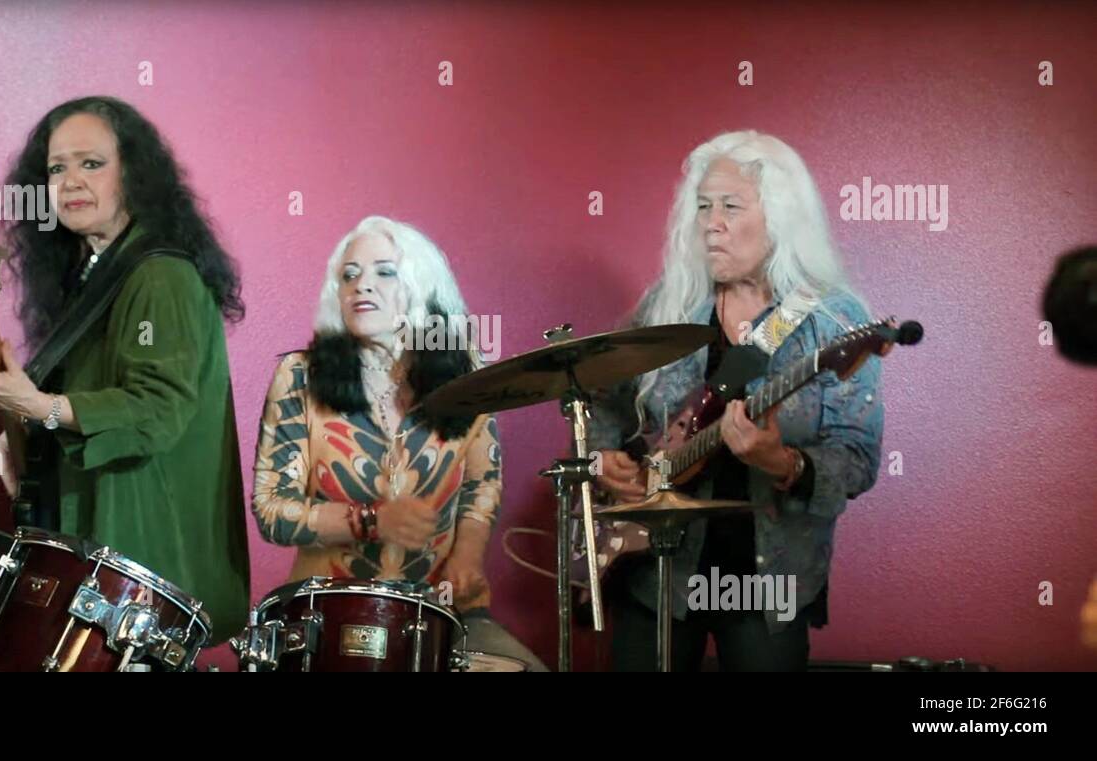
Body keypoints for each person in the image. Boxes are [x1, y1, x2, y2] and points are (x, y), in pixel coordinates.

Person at [589, 130, 884, 671]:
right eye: (703, 207)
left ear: (781, 217)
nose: (711, 223)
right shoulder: (670, 303)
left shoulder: (833, 320)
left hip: (767, 581)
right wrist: (602, 458)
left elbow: (858, 460)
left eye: (730, 206)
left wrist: (783, 462)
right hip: (659, 569)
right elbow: (603, 398)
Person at [0, 95, 251, 639]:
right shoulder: (100, 271)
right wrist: (27, 428)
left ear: (135, 174)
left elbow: (156, 409)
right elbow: (87, 393)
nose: (71, 182)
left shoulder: (160, 275)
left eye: (92, 163)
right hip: (106, 552)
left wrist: (40, 407)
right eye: (57, 169)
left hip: (145, 556)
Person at [251, 215, 545, 670]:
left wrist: (467, 557)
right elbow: (271, 510)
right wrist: (371, 520)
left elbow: (480, 486)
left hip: (441, 616)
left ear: (422, 287)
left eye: (385, 272)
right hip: (327, 616)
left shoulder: (467, 374)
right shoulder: (300, 377)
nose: (362, 285)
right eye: (349, 275)